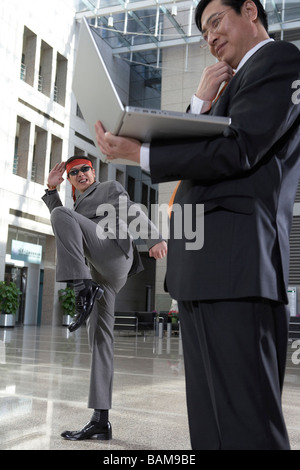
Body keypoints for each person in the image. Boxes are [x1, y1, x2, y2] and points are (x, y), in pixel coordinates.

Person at [94, 0, 300, 450]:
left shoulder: (280, 61)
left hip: (238, 266)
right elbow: (204, 153)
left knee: (247, 422)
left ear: (250, 11)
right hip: (206, 270)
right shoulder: (229, 85)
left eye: (215, 22)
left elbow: (239, 149)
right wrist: (201, 102)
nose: (210, 37)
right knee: (209, 421)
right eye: (204, 32)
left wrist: (136, 154)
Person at [42, 156, 167, 441]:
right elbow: (65, 225)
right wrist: (51, 190)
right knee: (99, 339)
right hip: (100, 275)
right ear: (70, 182)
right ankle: (101, 419)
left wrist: (153, 237)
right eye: (73, 173)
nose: (81, 174)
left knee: (60, 216)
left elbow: (130, 209)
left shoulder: (108, 188)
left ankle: (81, 288)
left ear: (93, 171)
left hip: (113, 252)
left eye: (84, 169)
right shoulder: (76, 206)